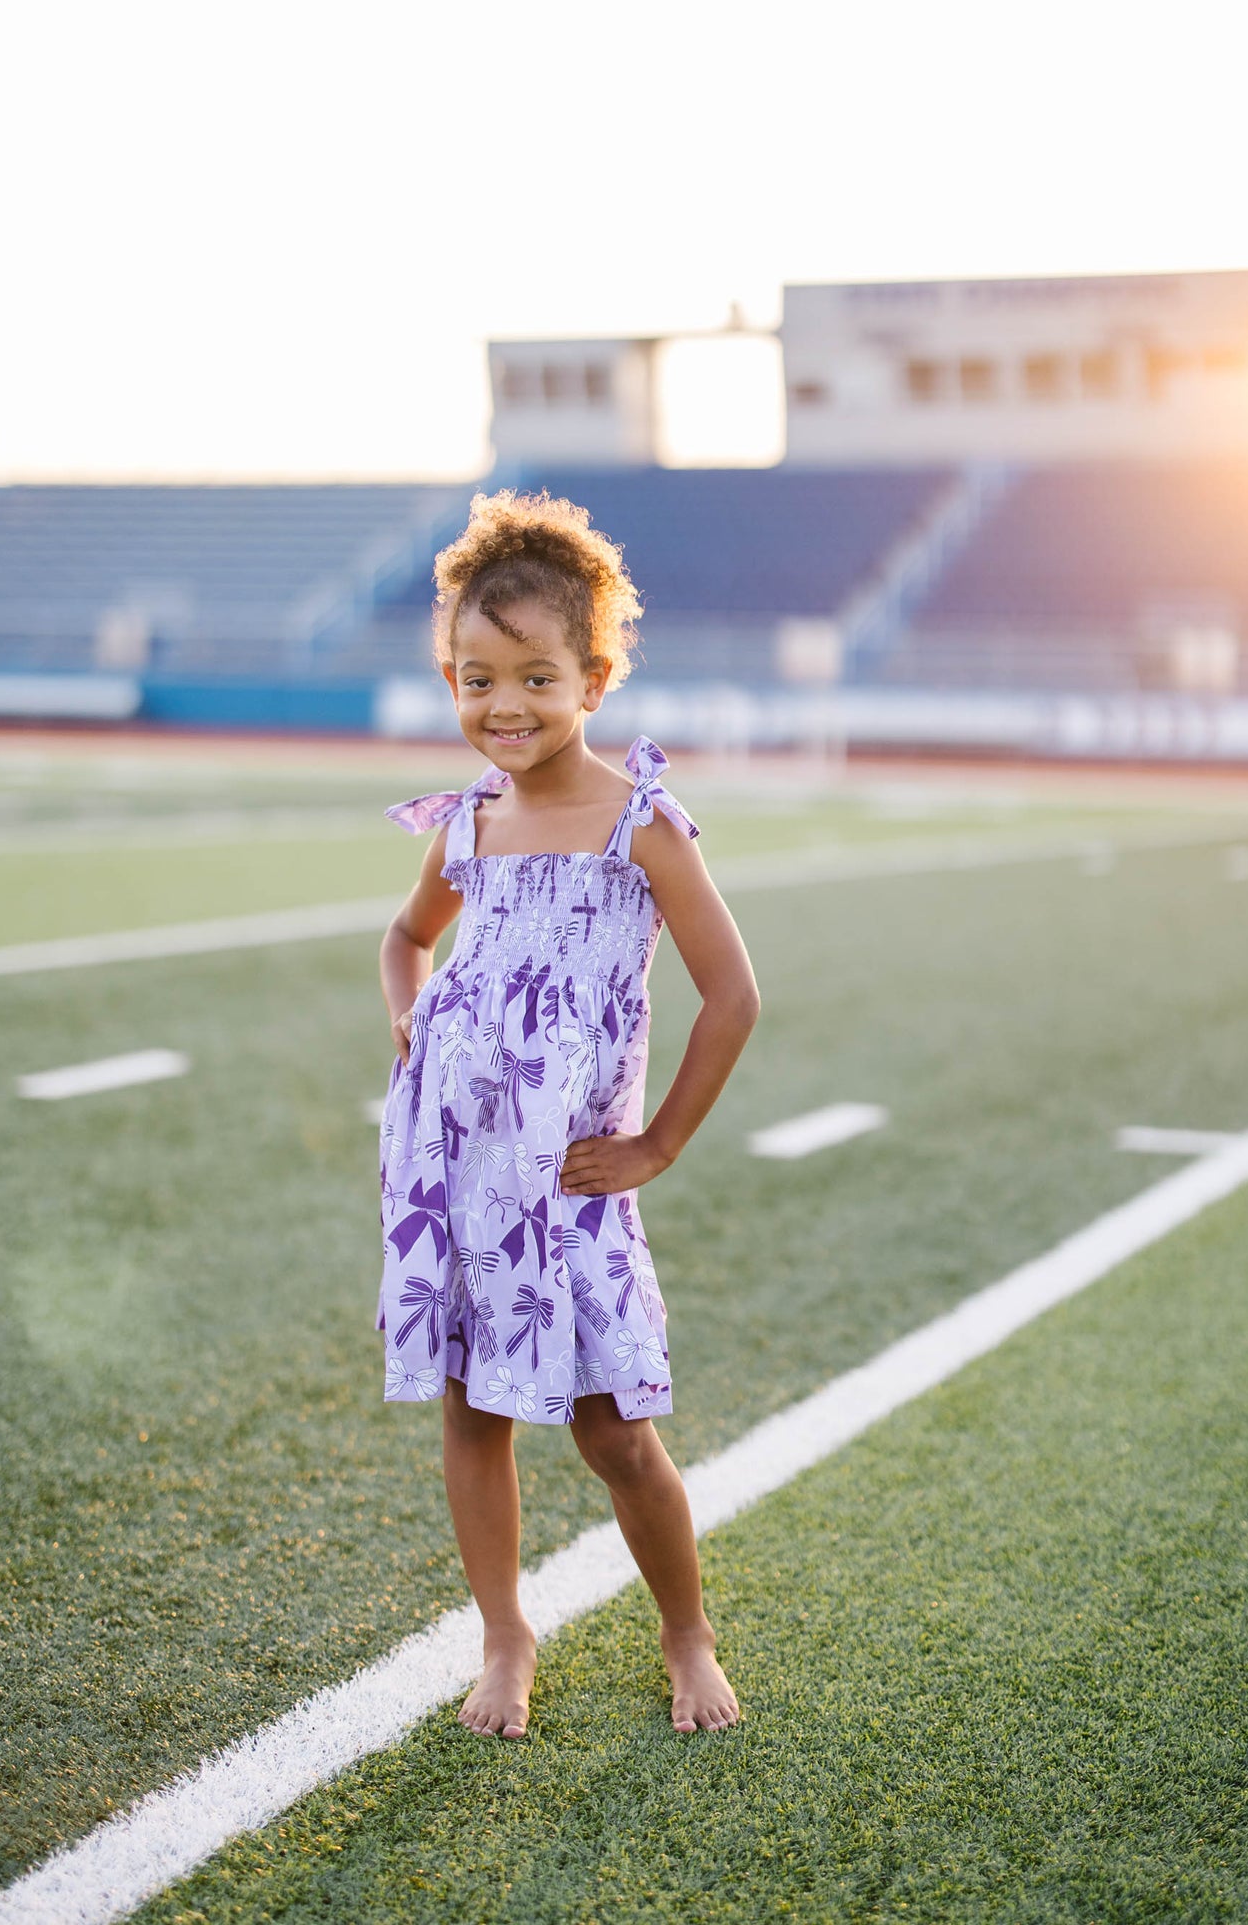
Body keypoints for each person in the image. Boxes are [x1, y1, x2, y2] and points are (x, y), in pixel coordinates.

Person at [376, 488, 760, 1741]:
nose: (502, 706)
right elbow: (403, 939)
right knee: (470, 1406)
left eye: (534, 677)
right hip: (459, 1166)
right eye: (473, 677)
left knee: (612, 1429)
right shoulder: (468, 824)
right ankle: (504, 1629)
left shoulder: (640, 823)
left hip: (573, 1180)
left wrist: (653, 1143)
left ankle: (684, 1627)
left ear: (593, 677)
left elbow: (732, 994)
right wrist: (409, 1019)